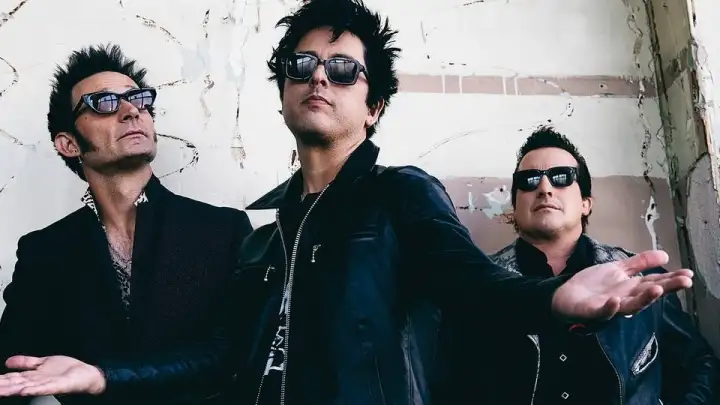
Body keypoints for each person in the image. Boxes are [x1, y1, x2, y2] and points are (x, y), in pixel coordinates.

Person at [0, 2, 693, 404]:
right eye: (300, 67)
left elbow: (473, 286)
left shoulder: (399, 194)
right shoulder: (260, 236)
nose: (319, 80)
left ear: (374, 105)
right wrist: (101, 374)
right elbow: (220, 356)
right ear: (282, 93)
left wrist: (554, 299)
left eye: (343, 70)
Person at [0, 44, 253, 405]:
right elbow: (13, 373)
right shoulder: (45, 251)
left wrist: (103, 377)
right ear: (69, 143)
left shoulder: (223, 231)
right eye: (104, 103)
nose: (132, 111)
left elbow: (234, 354)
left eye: (138, 99)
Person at [476, 126, 720, 405]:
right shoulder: (479, 285)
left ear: (586, 204)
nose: (544, 188)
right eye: (529, 180)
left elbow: (700, 366)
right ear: (515, 207)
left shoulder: (644, 280)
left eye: (561, 177)